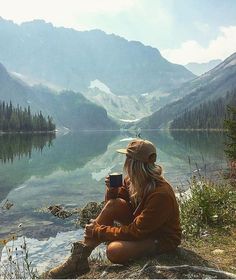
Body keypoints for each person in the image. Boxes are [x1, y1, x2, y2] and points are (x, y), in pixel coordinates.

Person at [47, 139, 181, 279]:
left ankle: (81, 257)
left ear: (133, 164)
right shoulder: (133, 180)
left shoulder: (161, 194)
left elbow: (136, 232)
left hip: (160, 238)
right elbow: (112, 205)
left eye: (127, 158)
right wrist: (112, 190)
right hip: (143, 229)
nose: (125, 163)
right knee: (114, 204)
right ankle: (78, 259)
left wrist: (99, 231)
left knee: (113, 251)